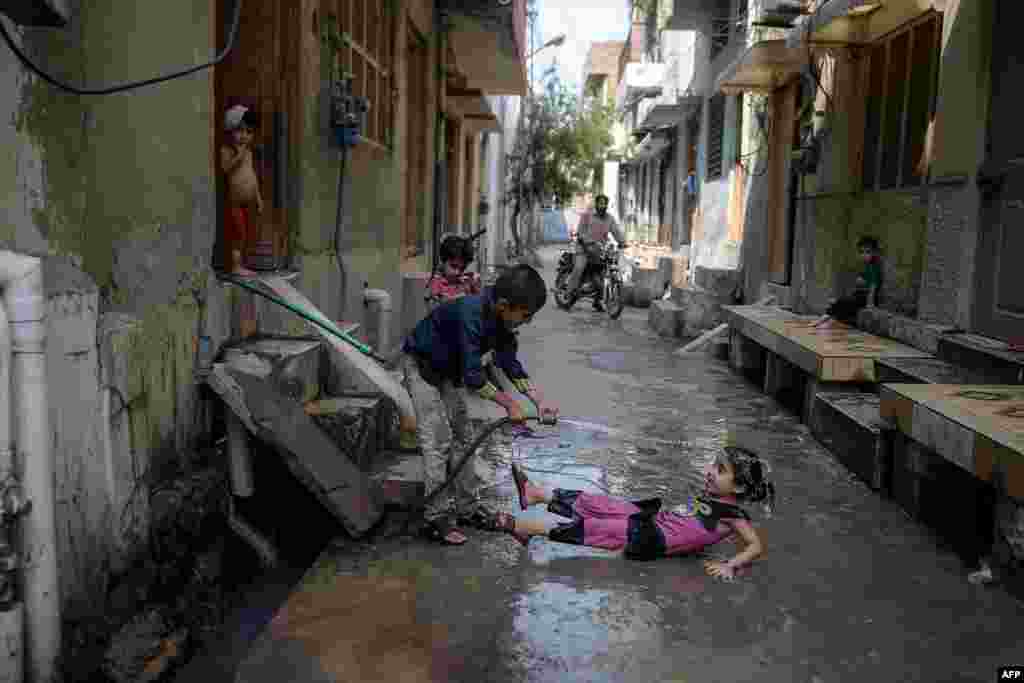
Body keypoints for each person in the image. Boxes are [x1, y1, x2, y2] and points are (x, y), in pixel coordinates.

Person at [401, 264, 559, 546]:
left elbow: (508, 363)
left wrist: (539, 401)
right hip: (422, 367)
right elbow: (474, 377)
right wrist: (509, 403)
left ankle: (467, 507)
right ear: (503, 305)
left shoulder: (502, 322)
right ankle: (436, 517)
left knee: (465, 438)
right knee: (438, 443)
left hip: (449, 372)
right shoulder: (470, 315)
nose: (528, 321)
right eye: (526, 315)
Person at [497, 446, 775, 580]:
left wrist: (731, 565)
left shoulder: (733, 514)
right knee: (603, 504)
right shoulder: (713, 496)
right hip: (657, 521)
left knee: (598, 528)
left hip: (653, 538)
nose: (710, 471)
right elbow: (695, 524)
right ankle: (535, 494)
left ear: (738, 487)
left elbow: (755, 545)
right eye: (714, 465)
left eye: (720, 470)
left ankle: (525, 528)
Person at [220, 105, 264, 276]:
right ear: (230, 131)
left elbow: (252, 175)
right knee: (237, 233)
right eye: (239, 131)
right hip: (235, 202)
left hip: (250, 201)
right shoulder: (227, 150)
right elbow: (226, 169)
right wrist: (239, 155)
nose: (244, 136)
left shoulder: (250, 153)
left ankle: (243, 263)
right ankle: (235, 266)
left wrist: (258, 198)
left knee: (247, 233)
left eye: (248, 132)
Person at [568, 194, 629, 311]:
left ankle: (597, 301)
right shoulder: (587, 216)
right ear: (596, 204)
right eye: (600, 203)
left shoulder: (609, 218)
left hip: (599, 251)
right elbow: (580, 231)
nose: (602, 206)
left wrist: (622, 242)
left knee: (601, 275)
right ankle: (569, 293)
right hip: (584, 249)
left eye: (604, 204)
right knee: (579, 268)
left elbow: (616, 231)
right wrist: (586, 241)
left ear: (607, 205)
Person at [814, 236, 882, 328]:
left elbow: (874, 285)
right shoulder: (867, 265)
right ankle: (828, 318)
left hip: (865, 297)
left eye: (868, 252)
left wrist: (870, 303)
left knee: (841, 303)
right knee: (840, 302)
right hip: (859, 295)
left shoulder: (874, 267)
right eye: (861, 252)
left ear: (875, 252)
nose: (864, 255)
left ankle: (823, 319)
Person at [426, 234, 482, 305]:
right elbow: (433, 310)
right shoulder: (435, 284)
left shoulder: (468, 281)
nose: (457, 272)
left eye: (462, 268)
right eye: (453, 266)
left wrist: (475, 289)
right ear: (443, 261)